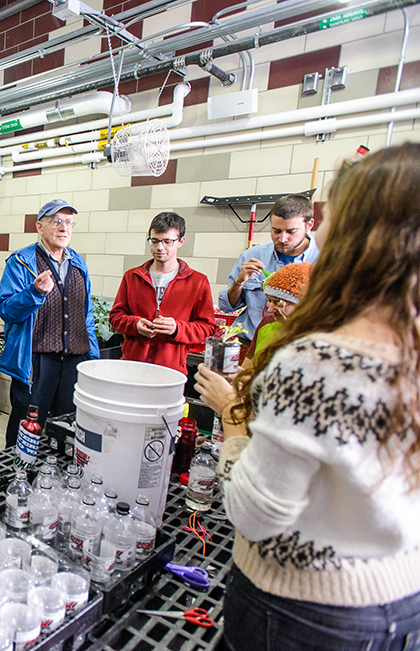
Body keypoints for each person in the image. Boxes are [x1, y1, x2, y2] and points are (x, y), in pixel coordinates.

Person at [195, 144, 420, 651]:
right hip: (401, 602)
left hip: (306, 613)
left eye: (328, 223)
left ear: (359, 238)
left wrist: (231, 412)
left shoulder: (317, 364)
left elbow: (253, 511)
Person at [0, 198, 100, 448]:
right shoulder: (21, 262)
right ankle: (16, 479)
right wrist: (34, 292)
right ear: (39, 227)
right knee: (25, 428)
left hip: (74, 360)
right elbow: (6, 310)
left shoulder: (78, 263)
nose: (64, 228)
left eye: (69, 223)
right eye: (57, 222)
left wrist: (92, 358)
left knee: (66, 429)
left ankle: (56, 482)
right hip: (37, 362)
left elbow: (86, 314)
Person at [109, 212, 216, 375]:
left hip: (171, 371)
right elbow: (115, 317)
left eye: (167, 241)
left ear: (181, 241)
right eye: (155, 241)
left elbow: (207, 327)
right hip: (132, 367)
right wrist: (135, 324)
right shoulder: (132, 277)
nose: (160, 247)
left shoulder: (197, 282)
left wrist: (177, 328)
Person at [217, 194, 320, 347]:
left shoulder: (324, 260)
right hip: (249, 342)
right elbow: (226, 307)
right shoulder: (252, 255)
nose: (282, 238)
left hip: (298, 346)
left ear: (309, 225)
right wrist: (239, 282)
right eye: (276, 231)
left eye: (291, 232)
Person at [240, 262, 311, 370]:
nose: (270, 309)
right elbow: (246, 369)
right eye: (269, 301)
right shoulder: (267, 323)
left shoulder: (316, 335)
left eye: (278, 303)